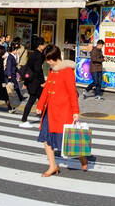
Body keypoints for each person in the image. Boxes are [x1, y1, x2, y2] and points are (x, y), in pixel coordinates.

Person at [37, 45, 87, 176]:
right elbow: (47, 88)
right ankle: (53, 165)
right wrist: (40, 105)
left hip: (63, 111)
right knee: (46, 138)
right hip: (50, 111)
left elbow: (72, 93)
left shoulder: (67, 71)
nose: (48, 62)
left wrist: (76, 111)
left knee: (69, 141)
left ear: (55, 58)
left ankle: (82, 157)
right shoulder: (52, 70)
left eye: (49, 60)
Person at [19, 36, 46, 124]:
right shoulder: (38, 55)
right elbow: (38, 70)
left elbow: (29, 68)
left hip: (31, 81)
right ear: (39, 45)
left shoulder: (33, 54)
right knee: (42, 99)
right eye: (43, 44)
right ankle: (46, 117)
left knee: (33, 100)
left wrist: (26, 82)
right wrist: (43, 82)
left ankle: (24, 118)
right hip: (36, 82)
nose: (45, 46)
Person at [5, 39, 25, 107]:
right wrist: (9, 75)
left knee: (15, 86)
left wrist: (19, 72)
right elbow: (8, 66)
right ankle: (20, 97)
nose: (17, 51)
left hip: (13, 73)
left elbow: (14, 66)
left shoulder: (12, 56)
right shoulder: (10, 57)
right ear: (13, 50)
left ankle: (20, 97)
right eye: (16, 50)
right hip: (11, 74)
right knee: (13, 86)